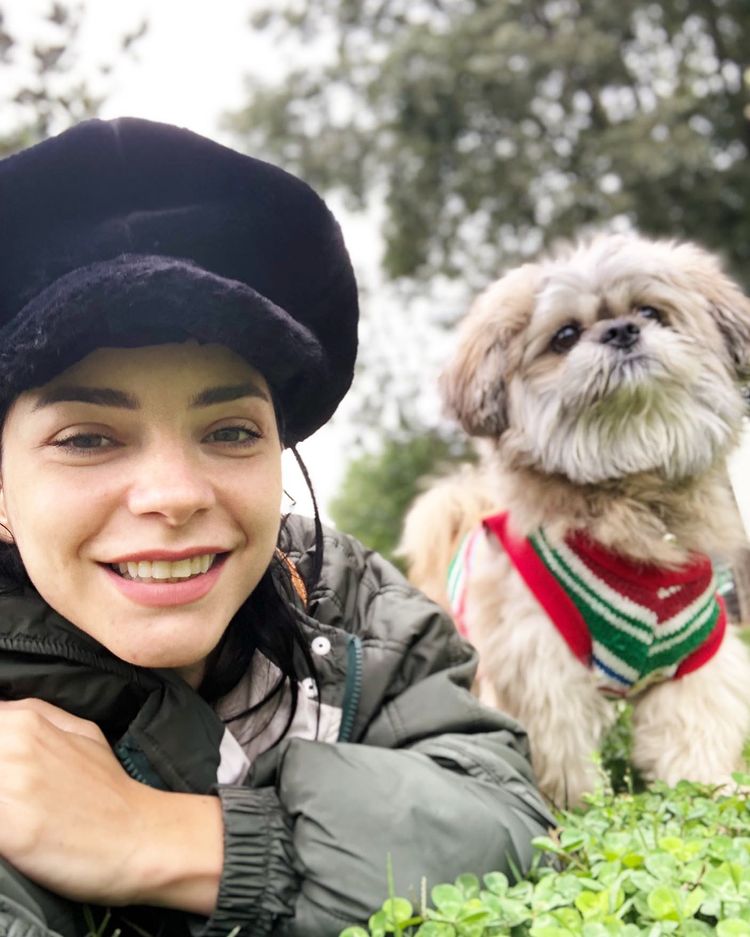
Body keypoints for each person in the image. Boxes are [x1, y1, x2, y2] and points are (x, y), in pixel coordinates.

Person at [0, 117, 552, 937]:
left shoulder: (346, 601)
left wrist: (152, 836)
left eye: (229, 431)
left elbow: (499, 816)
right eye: (87, 437)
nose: (175, 494)